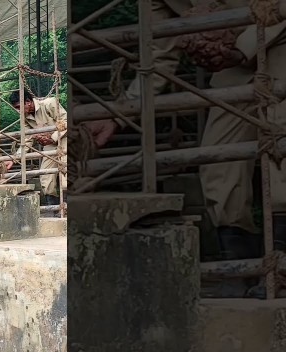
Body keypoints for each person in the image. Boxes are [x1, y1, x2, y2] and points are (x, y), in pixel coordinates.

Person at [84, 0, 286, 262]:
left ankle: (278, 267)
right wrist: (118, 115)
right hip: (232, 69)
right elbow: (159, 54)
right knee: (218, 164)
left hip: (279, 47)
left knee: (279, 154)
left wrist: (241, 46)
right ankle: (240, 265)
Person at [6, 90, 67, 209]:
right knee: (45, 175)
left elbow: (66, 122)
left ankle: (69, 207)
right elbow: (27, 140)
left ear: (28, 102)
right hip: (50, 144)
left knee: (65, 172)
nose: (18, 110)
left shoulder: (49, 103)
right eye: (15, 108)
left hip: (65, 139)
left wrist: (53, 138)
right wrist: (14, 159)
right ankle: (54, 208)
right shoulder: (25, 117)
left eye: (19, 107)